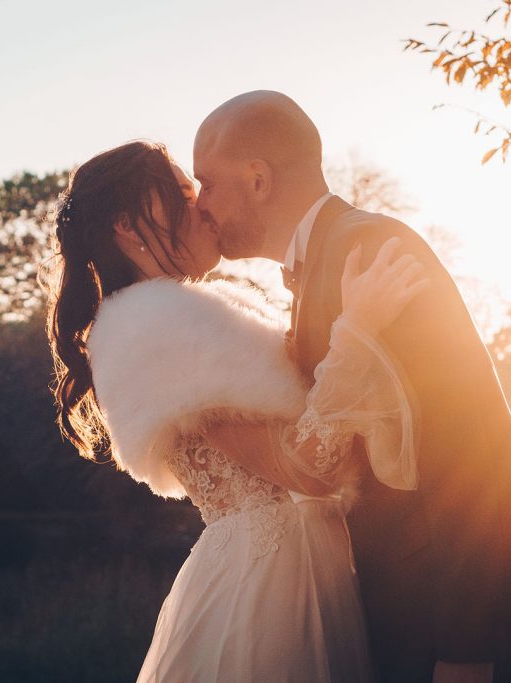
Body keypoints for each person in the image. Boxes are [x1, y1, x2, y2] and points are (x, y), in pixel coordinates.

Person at [193, 91, 511, 683]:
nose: (200, 203)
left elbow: (463, 443)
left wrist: (466, 646)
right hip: (432, 588)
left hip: (486, 596)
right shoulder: (325, 261)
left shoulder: (364, 250)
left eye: (206, 182)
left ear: (257, 179)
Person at [45, 139, 427, 682]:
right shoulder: (157, 326)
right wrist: (358, 331)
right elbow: (307, 469)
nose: (201, 203)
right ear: (129, 225)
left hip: (290, 574)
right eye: (180, 192)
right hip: (267, 593)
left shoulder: (181, 316)